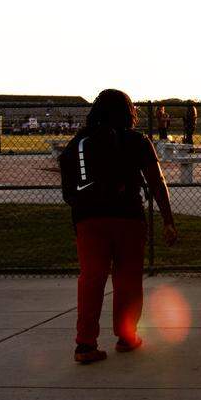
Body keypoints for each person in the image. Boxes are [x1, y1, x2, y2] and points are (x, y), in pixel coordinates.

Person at [60, 89, 178, 364]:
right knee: (128, 279)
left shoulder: (79, 142)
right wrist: (168, 220)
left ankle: (85, 344)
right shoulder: (137, 140)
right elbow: (156, 182)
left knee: (91, 279)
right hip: (128, 217)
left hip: (89, 219)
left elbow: (69, 184)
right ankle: (126, 337)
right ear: (128, 112)